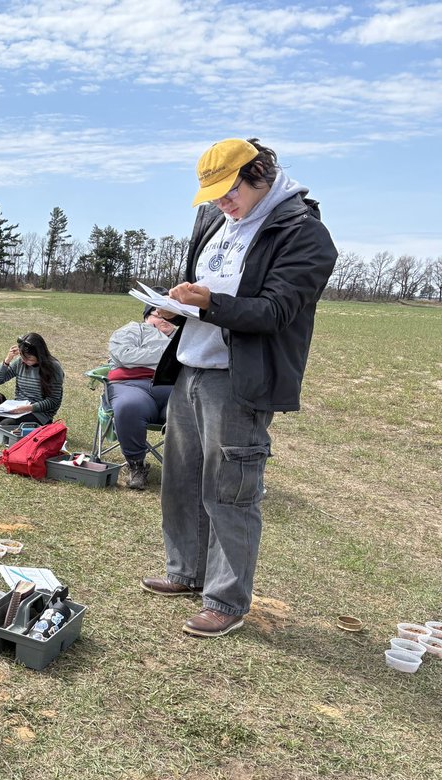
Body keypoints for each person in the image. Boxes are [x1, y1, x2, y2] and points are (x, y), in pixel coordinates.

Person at [143, 138, 337, 638]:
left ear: (259, 174)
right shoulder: (212, 221)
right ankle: (186, 572)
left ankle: (226, 601)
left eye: (228, 191)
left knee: (230, 490)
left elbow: (274, 311)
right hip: (191, 366)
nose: (220, 202)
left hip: (240, 377)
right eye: (212, 194)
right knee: (181, 481)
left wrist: (210, 304)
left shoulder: (304, 235)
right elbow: (197, 284)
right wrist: (172, 307)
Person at [106, 306, 176, 490]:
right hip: (131, 385)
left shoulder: (184, 335)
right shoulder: (132, 330)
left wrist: (146, 356)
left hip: (173, 388)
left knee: (190, 407)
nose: (166, 319)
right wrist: (168, 356)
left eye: (172, 315)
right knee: (129, 406)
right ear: (147, 316)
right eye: (160, 315)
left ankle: (184, 468)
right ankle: (136, 465)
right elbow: (125, 356)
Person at [0, 332, 64, 427]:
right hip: (18, 409)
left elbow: (53, 401)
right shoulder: (20, 362)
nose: (24, 361)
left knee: (6, 425)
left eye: (28, 358)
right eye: (22, 356)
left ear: (39, 355)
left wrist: (28, 408)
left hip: (40, 414)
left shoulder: (54, 368)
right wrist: (7, 360)